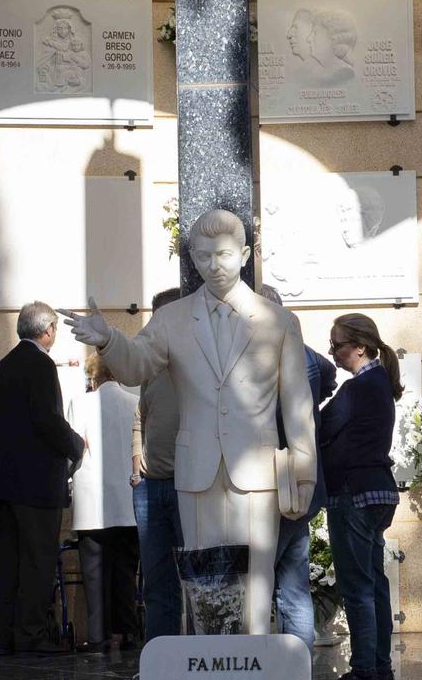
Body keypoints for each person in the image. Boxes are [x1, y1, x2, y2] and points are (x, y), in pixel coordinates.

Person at [62, 209, 317, 636]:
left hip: (257, 471)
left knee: (257, 581)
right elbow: (137, 366)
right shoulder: (172, 318)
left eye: (223, 254)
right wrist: (108, 339)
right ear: (193, 260)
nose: (213, 265)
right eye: (202, 257)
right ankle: (213, 671)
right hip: (195, 470)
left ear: (246, 254)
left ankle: (253, 668)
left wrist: (304, 470)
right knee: (205, 583)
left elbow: (298, 404)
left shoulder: (279, 322)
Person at [314, 314, 403, 680]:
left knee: (358, 587)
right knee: (375, 584)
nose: (332, 351)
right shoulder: (380, 382)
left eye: (337, 345)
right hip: (379, 492)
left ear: (361, 346)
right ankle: (382, 671)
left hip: (354, 493)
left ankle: (365, 672)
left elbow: (321, 426)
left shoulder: (358, 387)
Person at [0, 302, 87, 655]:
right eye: (56, 330)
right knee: (38, 561)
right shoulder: (41, 364)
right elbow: (47, 420)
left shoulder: (5, 366)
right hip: (38, 483)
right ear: (47, 330)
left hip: (8, 482)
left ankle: (7, 636)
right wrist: (77, 444)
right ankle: (32, 635)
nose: (55, 336)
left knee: (10, 563)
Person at [260, 285, 337, 650]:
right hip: (304, 481)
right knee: (294, 583)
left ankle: (266, 669)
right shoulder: (312, 359)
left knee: (261, 580)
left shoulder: (266, 356)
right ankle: (299, 670)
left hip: (271, 479)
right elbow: (329, 375)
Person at [72, 350, 142, 653]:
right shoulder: (134, 403)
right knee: (126, 569)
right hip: (127, 499)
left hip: (92, 501)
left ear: (94, 375)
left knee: (94, 572)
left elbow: (76, 448)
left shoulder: (81, 403)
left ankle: (98, 636)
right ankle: (126, 632)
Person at [130, 287, 184, 640]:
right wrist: (136, 461)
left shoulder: (196, 361)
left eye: (157, 315)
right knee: (156, 582)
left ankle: (197, 660)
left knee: (198, 580)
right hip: (150, 485)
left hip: (187, 483)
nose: (151, 324)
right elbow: (141, 415)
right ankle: (158, 663)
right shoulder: (150, 365)